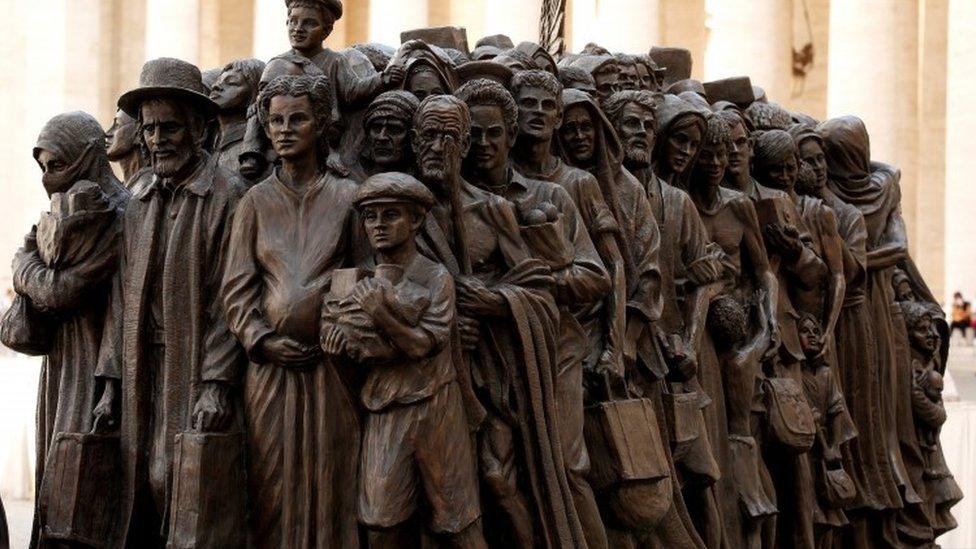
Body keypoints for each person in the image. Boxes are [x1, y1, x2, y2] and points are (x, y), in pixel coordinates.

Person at [410, 94, 586, 548]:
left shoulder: (491, 210)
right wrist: (446, 324)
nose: (438, 147)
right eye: (428, 136)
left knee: (498, 480)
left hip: (493, 376)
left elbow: (539, 292)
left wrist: (498, 301)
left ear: (465, 143)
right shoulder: (406, 211)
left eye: (449, 136)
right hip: (429, 374)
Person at [93, 57, 246, 547]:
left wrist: (217, 383)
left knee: (179, 481)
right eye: (150, 129)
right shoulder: (137, 199)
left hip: (196, 362)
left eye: (170, 128)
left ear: (198, 130)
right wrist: (110, 384)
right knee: (135, 481)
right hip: (141, 365)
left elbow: (231, 298)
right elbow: (121, 299)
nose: (157, 139)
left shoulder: (227, 196)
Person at [456, 78, 611, 549]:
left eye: (494, 134)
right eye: (475, 135)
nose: (484, 145)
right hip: (489, 362)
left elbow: (594, 276)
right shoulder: (453, 206)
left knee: (566, 466)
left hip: (552, 352)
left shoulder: (550, 198)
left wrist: (515, 295)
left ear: (511, 133)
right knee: (496, 478)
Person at [221, 75, 361, 547]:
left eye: (297, 119)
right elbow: (238, 288)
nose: (284, 129)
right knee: (271, 481)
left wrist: (340, 327)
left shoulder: (348, 198)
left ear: (321, 124)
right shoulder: (254, 202)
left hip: (331, 368)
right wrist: (262, 339)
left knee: (333, 476)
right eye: (275, 120)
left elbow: (362, 275)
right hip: (269, 373)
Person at [322, 172, 488, 548]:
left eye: (390, 215)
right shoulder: (357, 279)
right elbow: (350, 345)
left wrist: (379, 314)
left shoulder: (435, 277)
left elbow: (421, 345)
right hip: (386, 409)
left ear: (416, 220)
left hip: (436, 410)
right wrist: (337, 348)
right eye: (370, 216)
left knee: (458, 523)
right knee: (380, 522)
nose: (378, 225)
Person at [12, 111, 129, 547]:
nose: (48, 177)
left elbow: (61, 291)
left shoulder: (120, 212)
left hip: (97, 363)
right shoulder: (61, 210)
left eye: (57, 165)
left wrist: (25, 267)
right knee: (54, 475)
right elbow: (35, 261)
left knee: (81, 485)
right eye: (42, 167)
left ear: (88, 155)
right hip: (63, 361)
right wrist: (31, 266)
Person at [789, 122, 904, 541]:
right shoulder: (801, 208)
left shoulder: (843, 214)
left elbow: (848, 272)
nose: (817, 168)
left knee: (855, 413)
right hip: (808, 324)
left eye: (823, 159)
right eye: (809, 160)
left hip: (850, 322)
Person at [209, 58, 265, 178]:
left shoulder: (265, 151)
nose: (216, 86)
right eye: (218, 81)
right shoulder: (205, 143)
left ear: (255, 94)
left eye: (231, 83)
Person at [350, 90, 419, 181]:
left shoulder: (427, 185)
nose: (381, 137)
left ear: (412, 138)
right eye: (376, 128)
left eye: (394, 130)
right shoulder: (347, 182)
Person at [104, 109, 147, 186]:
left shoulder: (149, 187)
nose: (107, 133)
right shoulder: (125, 187)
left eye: (117, 125)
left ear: (138, 132)